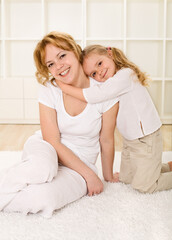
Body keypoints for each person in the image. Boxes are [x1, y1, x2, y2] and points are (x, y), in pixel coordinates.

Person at [0, 34, 119, 218]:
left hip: (79, 166)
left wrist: (106, 176)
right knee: (43, 169)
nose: (59, 66)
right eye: (50, 64)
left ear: (76, 52)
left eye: (62, 56)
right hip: (47, 148)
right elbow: (51, 140)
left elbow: (106, 140)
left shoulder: (104, 91)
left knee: (45, 198)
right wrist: (89, 175)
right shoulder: (49, 88)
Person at [56, 44, 172, 194]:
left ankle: (157, 174)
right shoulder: (110, 82)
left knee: (145, 186)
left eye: (100, 63)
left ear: (109, 54)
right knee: (126, 178)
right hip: (130, 141)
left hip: (145, 139)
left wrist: (63, 87)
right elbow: (96, 90)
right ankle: (165, 167)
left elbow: (95, 95)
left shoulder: (125, 75)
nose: (100, 72)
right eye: (93, 74)